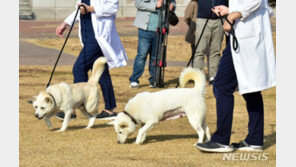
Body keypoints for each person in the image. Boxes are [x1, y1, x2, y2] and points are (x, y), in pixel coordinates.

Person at [196, 0, 276, 152]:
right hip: (243, 36)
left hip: (246, 38)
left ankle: (221, 140)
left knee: (222, 86)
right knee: (251, 89)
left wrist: (232, 16)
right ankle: (254, 140)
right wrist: (228, 9)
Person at [55, 0, 128, 119]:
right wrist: (66, 23)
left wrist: (90, 9)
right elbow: (79, 9)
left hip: (98, 38)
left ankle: (72, 108)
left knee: (79, 68)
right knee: (102, 73)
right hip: (87, 36)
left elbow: (112, 7)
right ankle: (110, 110)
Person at [129, 0, 175, 88]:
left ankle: (154, 80)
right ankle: (134, 79)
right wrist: (155, 5)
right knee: (142, 55)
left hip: (160, 30)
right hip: (145, 29)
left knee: (156, 56)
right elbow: (138, 3)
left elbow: (173, 3)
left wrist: (172, 7)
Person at [193, 0, 227, 85]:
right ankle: (199, 78)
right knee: (199, 51)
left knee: (215, 50)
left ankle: (213, 77)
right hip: (203, 18)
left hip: (219, 18)